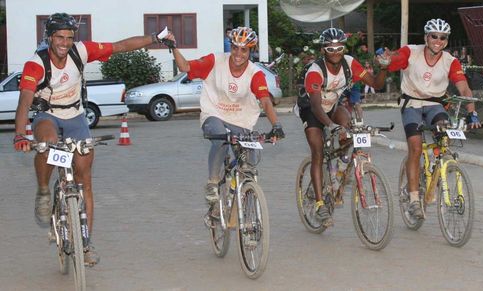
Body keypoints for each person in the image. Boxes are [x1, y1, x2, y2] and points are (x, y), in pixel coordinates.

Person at [13, 12, 170, 266]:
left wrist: (155, 38)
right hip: (48, 116)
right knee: (47, 144)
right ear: (50, 37)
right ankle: (43, 189)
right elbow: (25, 100)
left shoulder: (81, 51)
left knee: (85, 180)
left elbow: (120, 47)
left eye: (69, 37)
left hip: (76, 116)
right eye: (59, 37)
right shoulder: (36, 63)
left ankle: (85, 245)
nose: (65, 42)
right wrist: (20, 134)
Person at [167, 26, 285, 204]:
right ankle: (213, 183)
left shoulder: (255, 73)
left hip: (241, 120)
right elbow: (185, 66)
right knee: (221, 139)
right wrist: (173, 47)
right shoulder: (215, 61)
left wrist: (276, 125)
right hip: (214, 113)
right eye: (235, 48)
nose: (238, 53)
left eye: (244, 49)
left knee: (249, 167)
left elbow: (266, 101)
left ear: (251, 50)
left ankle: (241, 203)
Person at [382, 18, 481, 219]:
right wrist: (388, 59)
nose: (438, 40)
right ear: (426, 37)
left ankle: (437, 173)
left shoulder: (450, 61)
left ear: (446, 40)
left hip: (435, 104)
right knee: (416, 147)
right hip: (412, 104)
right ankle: (413, 199)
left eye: (442, 37)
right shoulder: (412, 51)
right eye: (434, 36)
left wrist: (472, 113)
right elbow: (396, 60)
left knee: (444, 137)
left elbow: (463, 88)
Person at [298, 28, 388, 226]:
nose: (336, 52)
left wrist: (384, 68)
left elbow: (375, 83)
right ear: (323, 50)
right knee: (318, 150)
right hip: (312, 111)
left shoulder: (349, 63)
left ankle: (339, 166)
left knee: (351, 129)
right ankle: (320, 204)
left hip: (332, 107)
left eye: (339, 47)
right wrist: (331, 126)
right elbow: (314, 105)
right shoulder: (315, 71)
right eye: (331, 48)